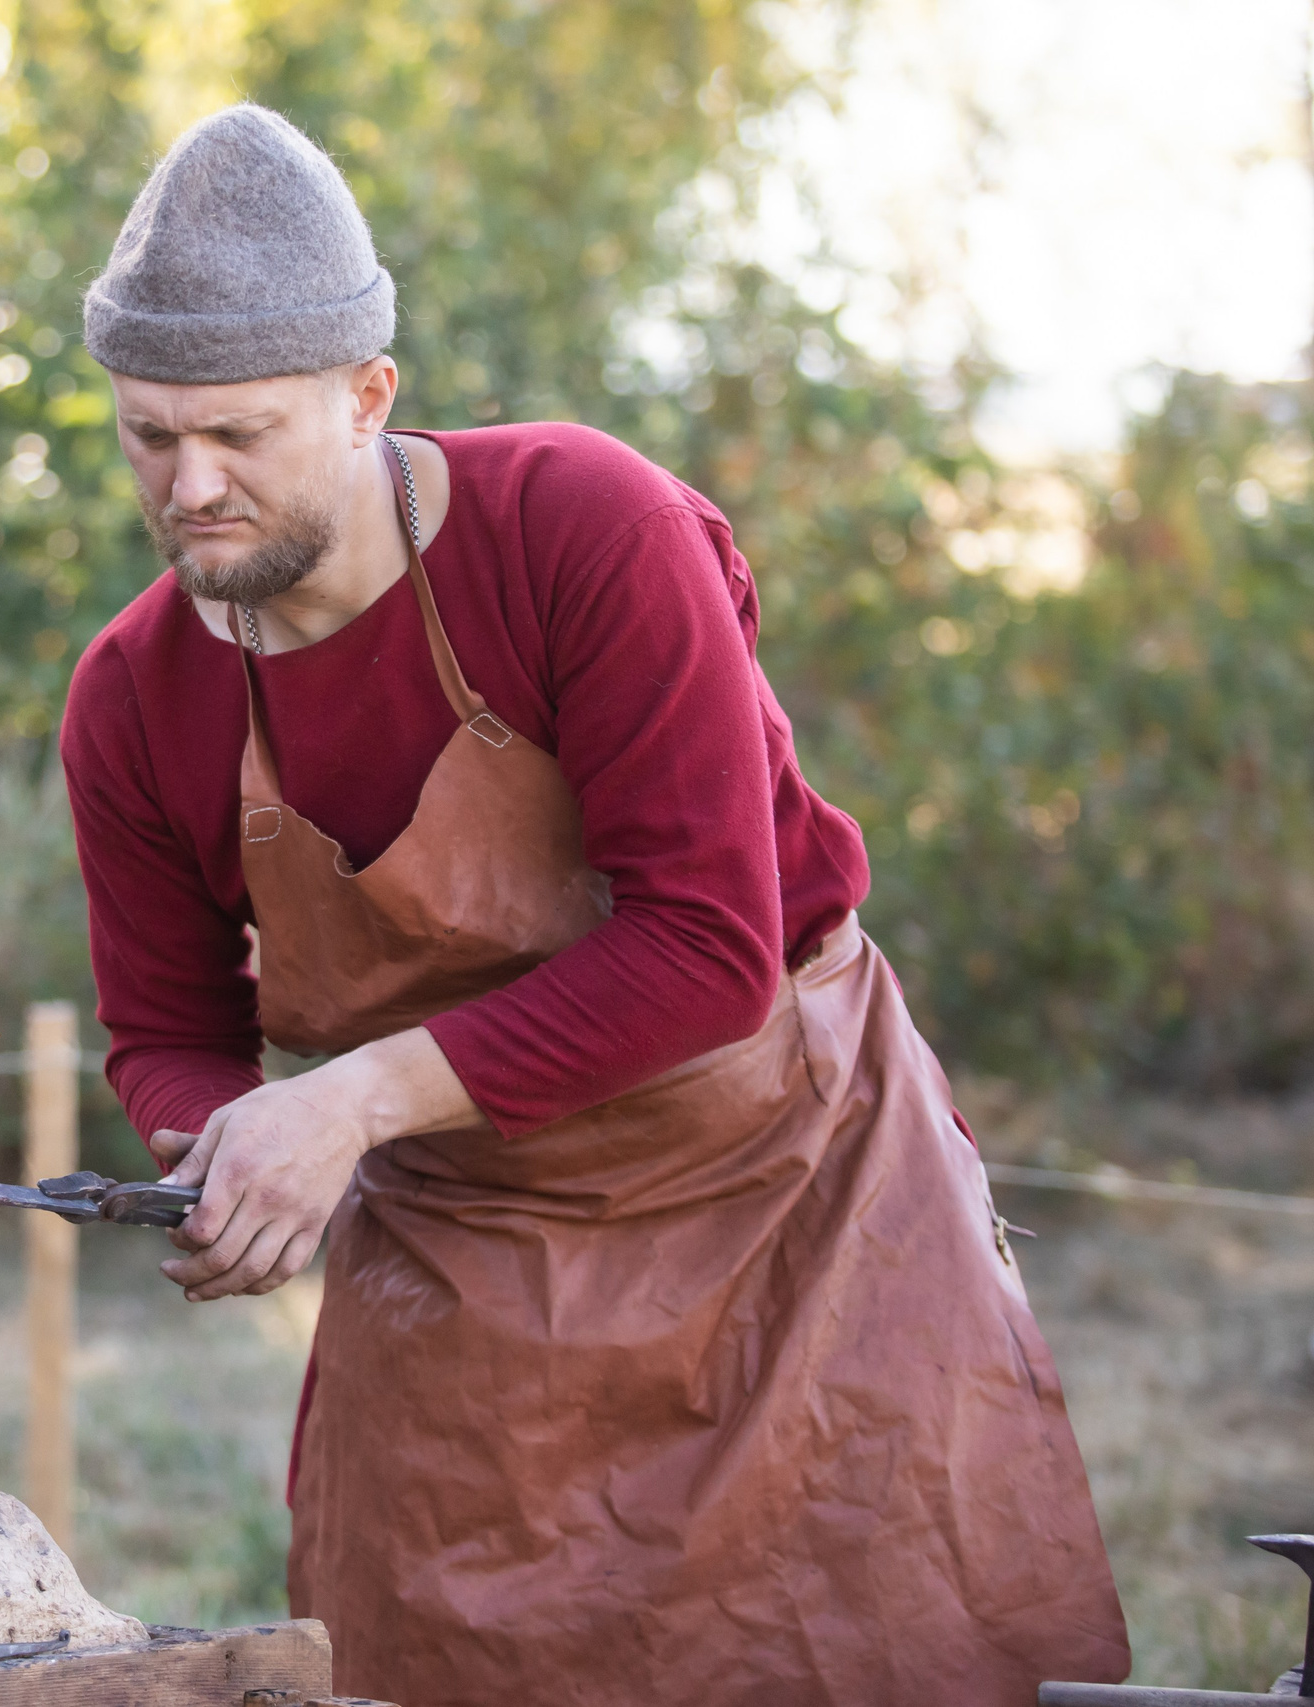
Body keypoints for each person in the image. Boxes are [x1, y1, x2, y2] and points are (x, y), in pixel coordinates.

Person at [59, 103, 1130, 1707]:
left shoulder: (582, 527)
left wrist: (348, 1102)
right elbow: (166, 1027)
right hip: (460, 1253)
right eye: (149, 435)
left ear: (367, 398)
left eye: (240, 433)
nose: (190, 483)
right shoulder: (134, 699)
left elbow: (707, 949)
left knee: (884, 1650)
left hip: (788, 1196)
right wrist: (235, 1158)